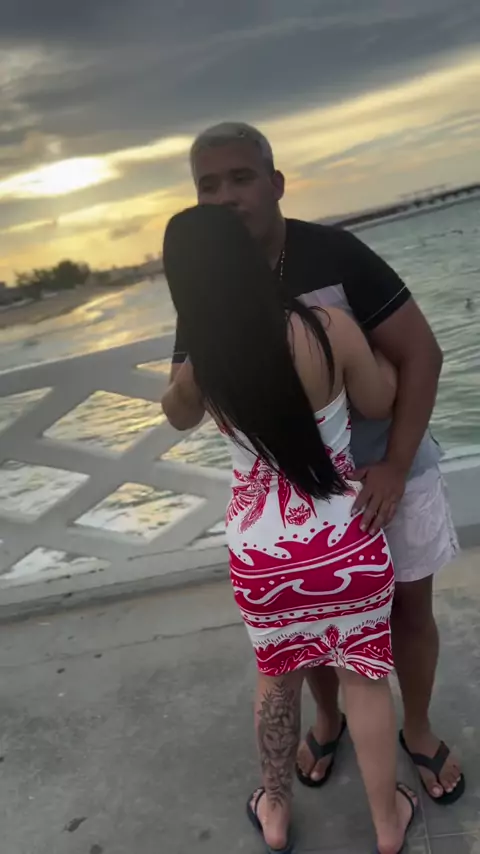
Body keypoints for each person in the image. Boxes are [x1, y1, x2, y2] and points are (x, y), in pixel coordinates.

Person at [169, 122, 463, 807]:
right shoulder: (208, 290)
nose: (226, 196)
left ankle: (417, 729)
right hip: (303, 500)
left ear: (276, 184)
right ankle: (329, 720)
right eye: (208, 186)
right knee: (314, 632)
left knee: (409, 612)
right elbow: (185, 401)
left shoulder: (335, 254)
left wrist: (394, 465)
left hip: (388, 473)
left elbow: (423, 353)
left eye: (242, 178)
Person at [162, 203, 417, 854]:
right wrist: (384, 367)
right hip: (346, 537)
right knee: (365, 678)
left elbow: (177, 415)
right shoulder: (327, 327)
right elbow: (379, 400)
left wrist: (192, 346)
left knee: (276, 679)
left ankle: (275, 812)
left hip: (263, 555)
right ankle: (388, 824)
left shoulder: (204, 361)